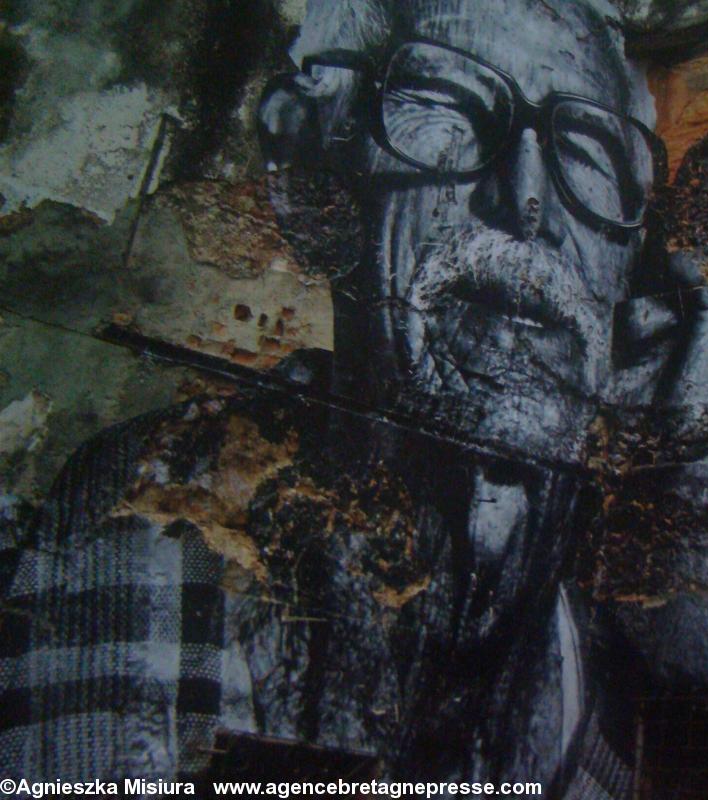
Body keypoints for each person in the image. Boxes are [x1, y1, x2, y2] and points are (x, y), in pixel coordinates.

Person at [0, 0, 661, 793]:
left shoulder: (620, 659)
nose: (525, 203)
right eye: (445, 104)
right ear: (318, 185)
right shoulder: (152, 519)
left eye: (586, 150)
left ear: (626, 259)